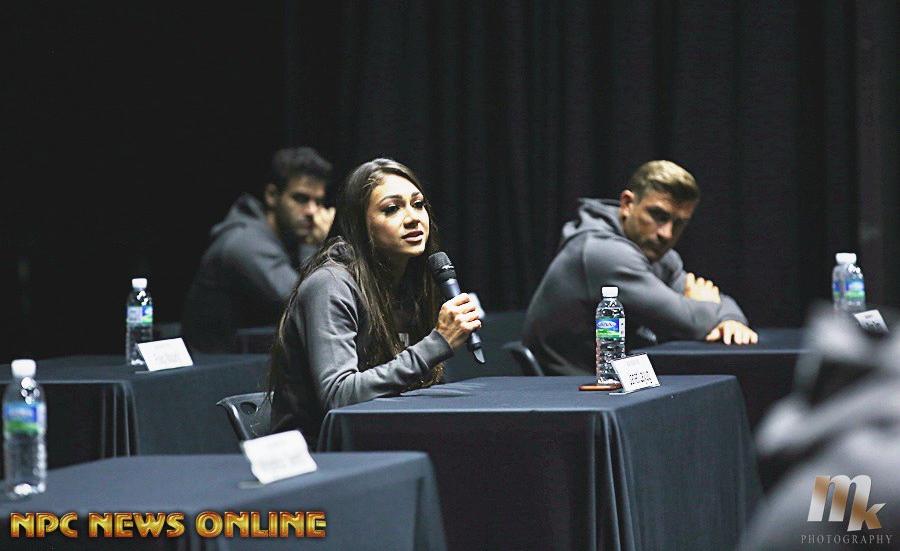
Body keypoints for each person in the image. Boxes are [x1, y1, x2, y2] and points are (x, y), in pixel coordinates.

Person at [267, 158, 482, 445]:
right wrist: (437, 343)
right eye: (392, 209)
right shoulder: (330, 284)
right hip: (319, 452)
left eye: (418, 204)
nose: (413, 218)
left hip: (383, 435)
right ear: (360, 222)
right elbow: (338, 395)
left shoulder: (409, 281)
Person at [523, 160, 757, 376]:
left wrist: (730, 320)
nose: (666, 233)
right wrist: (710, 306)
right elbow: (686, 322)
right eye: (658, 215)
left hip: (620, 382)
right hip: (573, 389)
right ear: (627, 204)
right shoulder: (602, 252)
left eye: (678, 223)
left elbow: (716, 302)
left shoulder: (658, 254)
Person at [182, 147, 335, 353]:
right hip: (216, 366)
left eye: (319, 201)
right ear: (272, 195)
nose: (312, 211)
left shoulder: (284, 239)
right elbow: (307, 307)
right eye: (301, 198)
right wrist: (316, 247)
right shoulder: (245, 242)